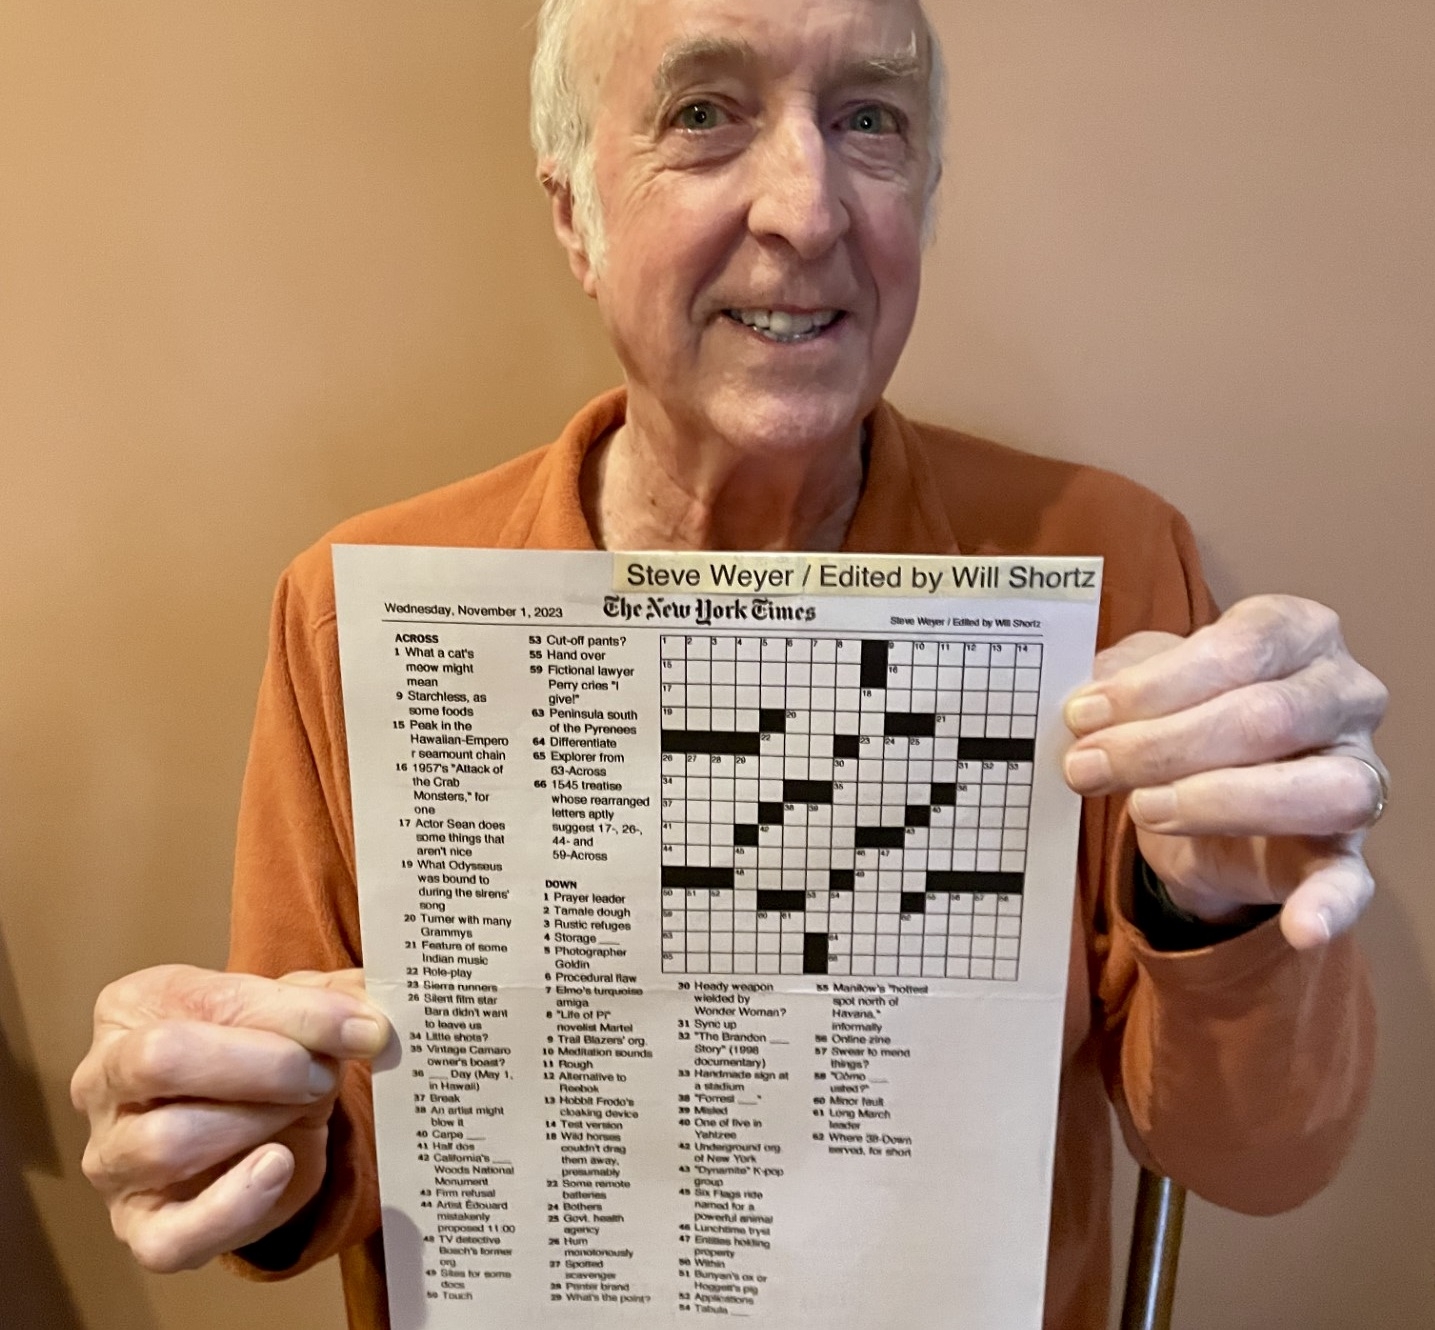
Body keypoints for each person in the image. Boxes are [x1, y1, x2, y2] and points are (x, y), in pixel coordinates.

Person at [70, 1, 1387, 1326]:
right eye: (703, 114)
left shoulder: (1112, 565)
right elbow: (333, 1139)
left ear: (925, 195)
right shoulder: (353, 608)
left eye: (869, 119)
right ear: (575, 214)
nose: (806, 212)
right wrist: (233, 1136)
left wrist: (1220, 912)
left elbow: (1255, 1154)